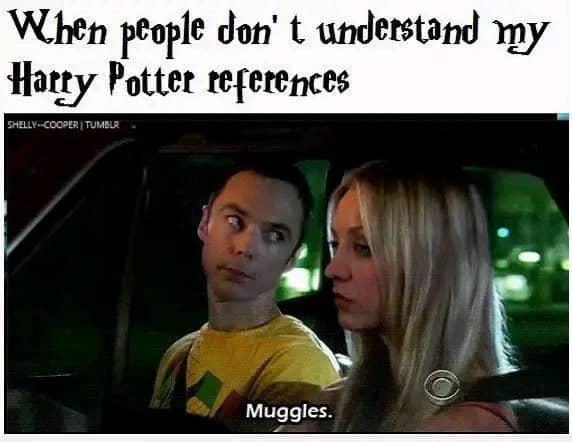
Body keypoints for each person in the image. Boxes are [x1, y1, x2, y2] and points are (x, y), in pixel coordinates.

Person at [283, 160, 518, 432]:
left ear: (429, 265)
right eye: (335, 244)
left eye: (363, 247)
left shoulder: (468, 426)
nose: (333, 269)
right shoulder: (346, 398)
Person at [149, 162, 341, 431]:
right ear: (205, 223)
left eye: (275, 235)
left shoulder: (299, 364)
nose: (246, 247)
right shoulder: (179, 353)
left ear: (291, 259)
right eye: (235, 221)